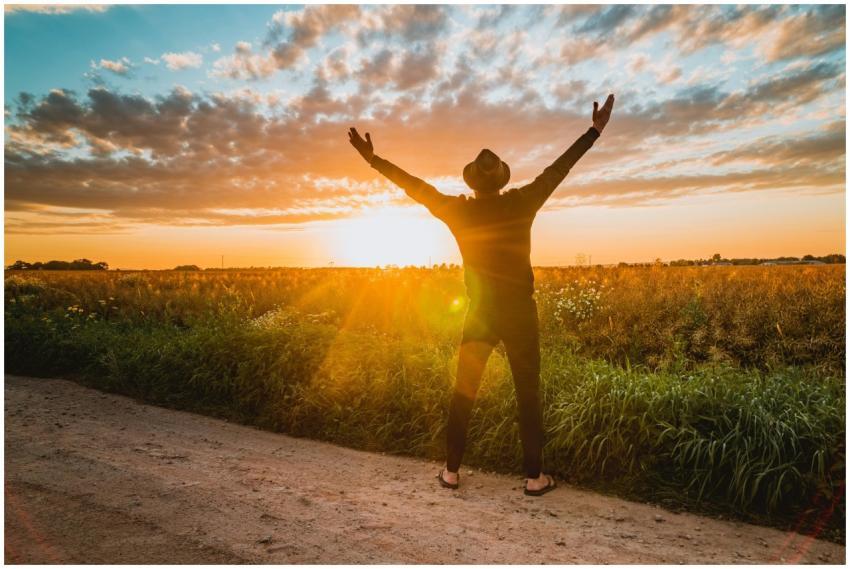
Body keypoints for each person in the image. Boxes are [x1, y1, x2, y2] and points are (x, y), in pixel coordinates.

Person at [348, 94, 615, 496]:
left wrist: (373, 159)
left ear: (472, 182)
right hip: (520, 313)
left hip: (480, 312)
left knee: (464, 390)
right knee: (528, 392)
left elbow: (414, 187)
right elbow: (558, 169)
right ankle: (534, 478)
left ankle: (451, 472)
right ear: (502, 179)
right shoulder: (523, 202)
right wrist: (593, 132)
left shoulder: (458, 212)